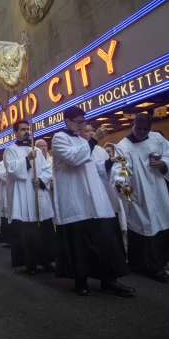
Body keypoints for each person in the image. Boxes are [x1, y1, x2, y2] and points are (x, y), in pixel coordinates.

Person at [53, 107, 135, 297]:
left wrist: (108, 162)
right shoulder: (59, 139)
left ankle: (109, 280)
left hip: (95, 200)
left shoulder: (84, 141)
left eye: (83, 121)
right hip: (76, 200)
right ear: (67, 121)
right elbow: (74, 158)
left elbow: (93, 165)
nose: (81, 125)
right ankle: (80, 281)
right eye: (77, 122)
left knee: (105, 242)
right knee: (79, 245)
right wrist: (94, 139)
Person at [111, 113, 169, 283]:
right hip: (138, 192)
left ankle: (152, 262)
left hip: (157, 189)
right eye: (138, 128)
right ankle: (151, 266)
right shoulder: (123, 146)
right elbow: (121, 167)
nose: (142, 132)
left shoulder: (156, 138)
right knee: (144, 226)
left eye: (145, 129)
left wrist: (164, 163)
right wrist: (121, 183)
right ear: (131, 125)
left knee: (157, 224)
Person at [4, 120, 55, 275]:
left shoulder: (37, 151)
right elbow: (12, 169)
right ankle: (30, 263)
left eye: (28, 129)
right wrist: (26, 159)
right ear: (16, 132)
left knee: (43, 230)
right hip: (22, 195)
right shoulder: (10, 149)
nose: (26, 132)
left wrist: (41, 180)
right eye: (23, 129)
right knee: (27, 232)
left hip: (37, 192)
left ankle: (46, 260)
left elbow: (47, 169)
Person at [79, 124, 127, 248]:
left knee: (113, 227)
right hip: (92, 194)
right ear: (79, 133)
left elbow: (105, 169)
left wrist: (112, 162)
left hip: (107, 190)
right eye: (87, 131)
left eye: (92, 130)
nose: (90, 133)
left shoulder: (100, 150)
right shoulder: (80, 150)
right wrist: (108, 163)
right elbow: (96, 168)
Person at [0, 158, 11, 244]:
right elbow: (1, 176)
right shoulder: (1, 164)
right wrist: (12, 173)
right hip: (7, 192)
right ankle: (8, 240)